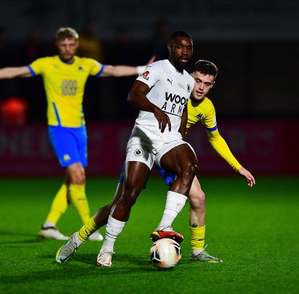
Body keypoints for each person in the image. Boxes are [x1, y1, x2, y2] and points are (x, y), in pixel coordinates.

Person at [55, 59, 255, 266]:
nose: (201, 87)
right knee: (120, 203)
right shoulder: (174, 86)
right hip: (146, 144)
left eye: (207, 84)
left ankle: (196, 250)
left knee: (199, 198)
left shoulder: (207, 107)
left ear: (213, 85)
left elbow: (215, 137)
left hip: (169, 152)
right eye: (198, 81)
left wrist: (237, 167)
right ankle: (78, 238)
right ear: (190, 77)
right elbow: (142, 90)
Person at [0, 27, 151, 242]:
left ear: (76, 45)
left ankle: (49, 225)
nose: (67, 49)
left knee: (72, 181)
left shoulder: (85, 64)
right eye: (63, 45)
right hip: (59, 129)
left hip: (80, 129)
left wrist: (144, 68)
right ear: (57, 46)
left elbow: (113, 70)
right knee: (78, 176)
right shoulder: (47, 64)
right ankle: (91, 226)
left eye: (71, 45)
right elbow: (16, 71)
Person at [56, 30, 197, 267]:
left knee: (189, 163)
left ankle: (164, 225)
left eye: (189, 48)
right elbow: (133, 94)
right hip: (143, 136)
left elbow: (182, 109)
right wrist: (155, 109)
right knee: (127, 196)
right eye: (180, 47)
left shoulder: (189, 81)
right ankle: (96, 244)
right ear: (170, 47)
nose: (185, 52)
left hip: (167, 140)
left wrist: (180, 135)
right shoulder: (158, 69)